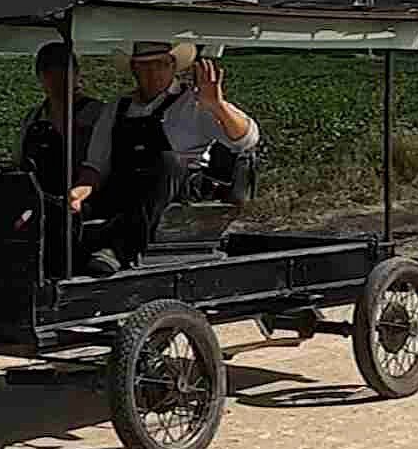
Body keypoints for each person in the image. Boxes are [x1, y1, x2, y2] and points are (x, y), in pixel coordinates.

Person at [64, 40, 259, 275]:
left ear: (173, 66)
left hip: (180, 190)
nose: (152, 72)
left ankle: (120, 246)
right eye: (144, 66)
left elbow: (245, 139)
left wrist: (217, 106)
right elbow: (96, 164)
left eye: (160, 64)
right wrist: (79, 192)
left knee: (167, 161)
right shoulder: (117, 107)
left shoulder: (196, 102)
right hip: (126, 187)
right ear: (134, 69)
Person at [14, 41, 106, 245]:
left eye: (65, 72)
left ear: (77, 74)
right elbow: (20, 161)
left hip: (83, 199)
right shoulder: (33, 118)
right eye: (50, 73)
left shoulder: (97, 114)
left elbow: (101, 164)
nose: (58, 80)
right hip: (37, 199)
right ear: (41, 77)